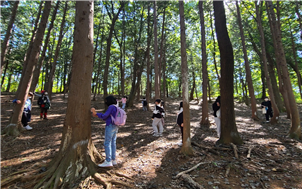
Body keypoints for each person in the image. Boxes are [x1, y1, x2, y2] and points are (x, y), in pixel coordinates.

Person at [91, 96, 119, 167]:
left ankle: (108, 161)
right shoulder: (116, 107)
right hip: (115, 126)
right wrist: (97, 115)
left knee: (107, 143)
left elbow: (105, 116)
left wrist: (96, 114)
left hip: (110, 126)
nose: (105, 102)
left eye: (106, 100)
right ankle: (113, 160)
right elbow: (108, 117)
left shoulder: (111, 107)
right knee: (113, 142)